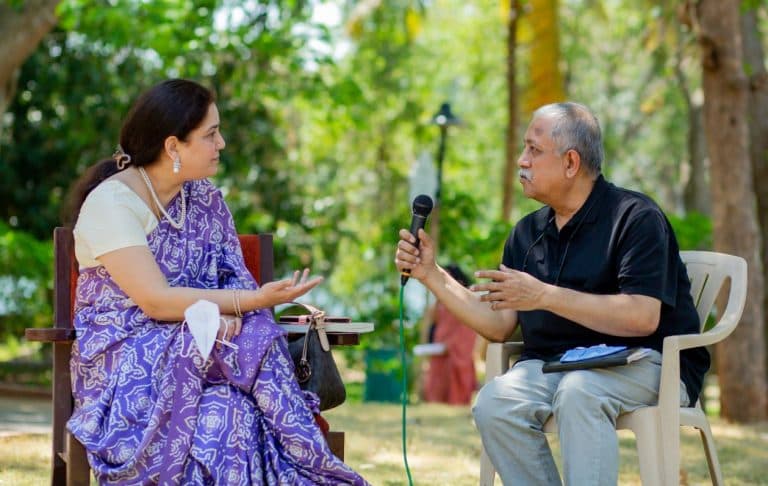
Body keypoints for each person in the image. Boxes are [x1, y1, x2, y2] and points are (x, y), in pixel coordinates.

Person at [65, 79, 368, 485]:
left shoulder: (204, 199)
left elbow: (231, 278)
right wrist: (240, 306)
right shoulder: (112, 203)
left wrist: (237, 311)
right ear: (173, 146)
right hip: (128, 362)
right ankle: (305, 451)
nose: (221, 143)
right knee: (243, 340)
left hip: (211, 361)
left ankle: (303, 459)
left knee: (229, 413)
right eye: (211, 134)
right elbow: (155, 302)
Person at [395, 102, 709, 485]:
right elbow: (499, 325)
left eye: (534, 150)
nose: (521, 160)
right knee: (495, 403)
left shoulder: (635, 217)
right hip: (556, 366)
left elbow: (641, 317)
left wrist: (544, 295)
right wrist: (431, 274)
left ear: (571, 163)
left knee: (581, 392)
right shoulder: (526, 234)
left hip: (647, 364)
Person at [421, 264, 478, 405]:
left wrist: (452, 344)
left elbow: (467, 329)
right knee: (437, 384)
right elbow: (432, 322)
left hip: (457, 349)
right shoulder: (438, 301)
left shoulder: (465, 298)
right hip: (439, 349)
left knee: (456, 380)